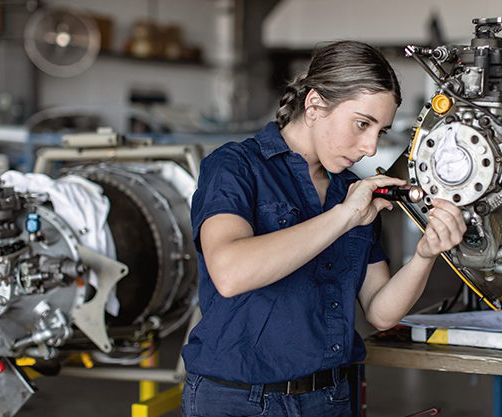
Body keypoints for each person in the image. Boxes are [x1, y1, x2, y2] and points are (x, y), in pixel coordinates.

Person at [181, 40, 466, 417]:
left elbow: (380, 312)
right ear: (314, 105)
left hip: (327, 399)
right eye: (362, 124)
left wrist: (425, 255)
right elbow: (231, 273)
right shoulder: (235, 167)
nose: (369, 147)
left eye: (379, 132)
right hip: (237, 400)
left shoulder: (351, 192)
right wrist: (344, 216)